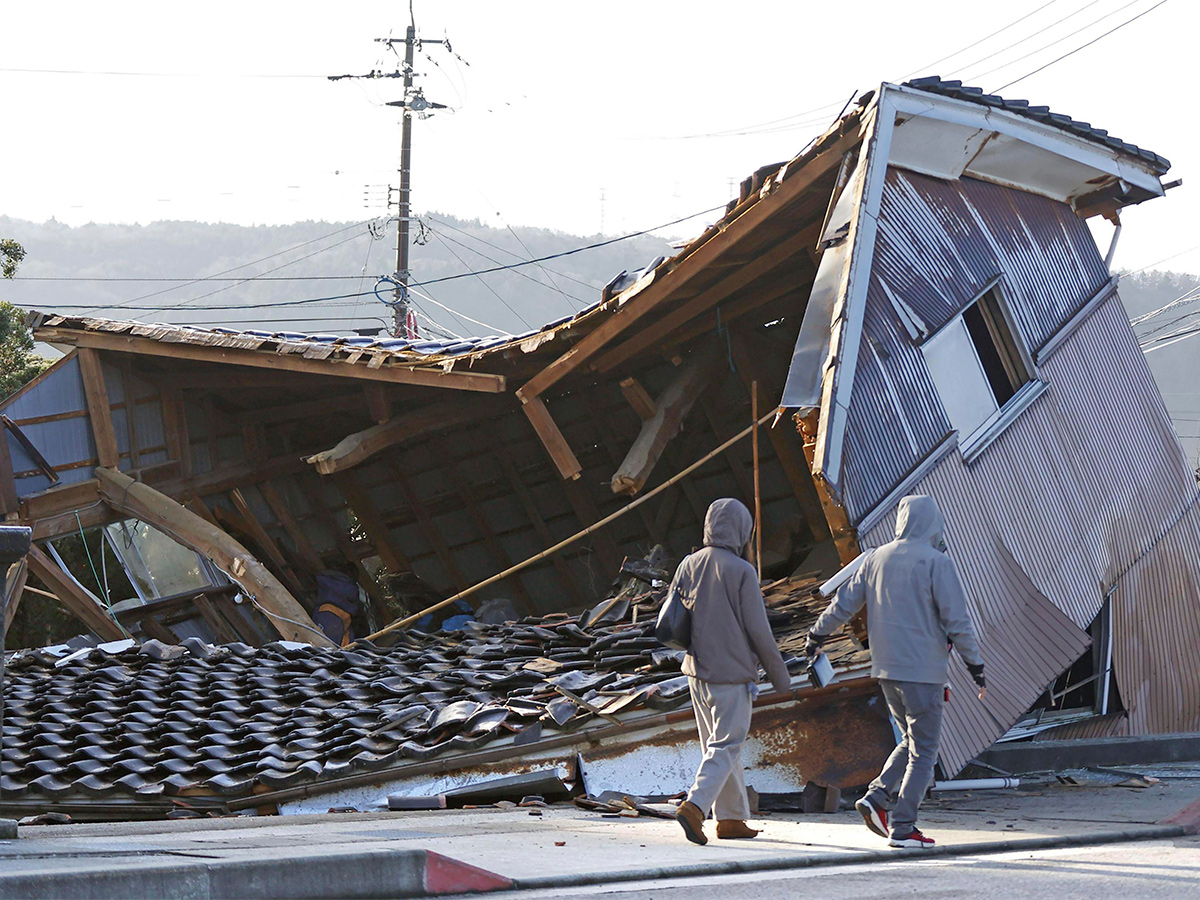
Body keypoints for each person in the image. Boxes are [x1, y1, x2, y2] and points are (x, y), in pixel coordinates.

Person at [805, 494, 985, 849]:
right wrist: (975, 665)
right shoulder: (937, 563)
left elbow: (844, 603)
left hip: (886, 671)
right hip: (924, 673)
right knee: (925, 752)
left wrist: (817, 634)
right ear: (933, 524)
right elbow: (958, 622)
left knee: (909, 741)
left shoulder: (875, 559)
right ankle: (904, 828)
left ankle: (875, 796)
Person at [672, 497, 791, 846]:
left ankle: (732, 819)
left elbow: (674, 614)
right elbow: (759, 632)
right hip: (731, 674)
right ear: (742, 530)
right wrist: (781, 678)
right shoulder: (741, 571)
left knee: (718, 746)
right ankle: (694, 807)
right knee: (727, 745)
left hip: (696, 671)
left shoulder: (689, 563)